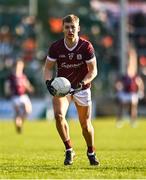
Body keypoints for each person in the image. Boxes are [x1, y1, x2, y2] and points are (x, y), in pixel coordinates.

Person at [44, 14, 99, 166]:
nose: (70, 30)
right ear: (63, 28)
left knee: (85, 124)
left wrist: (82, 83)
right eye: (67, 27)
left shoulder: (86, 46)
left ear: (78, 28)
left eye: (73, 27)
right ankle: (69, 150)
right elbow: (48, 68)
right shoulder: (56, 47)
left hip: (81, 88)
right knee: (58, 115)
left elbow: (93, 71)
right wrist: (48, 82)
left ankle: (91, 151)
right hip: (63, 88)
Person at [5, 58, 34, 133]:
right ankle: (18, 125)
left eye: (21, 65)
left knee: (28, 111)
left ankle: (20, 123)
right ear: (15, 66)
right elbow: (7, 85)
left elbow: (27, 84)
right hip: (15, 97)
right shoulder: (11, 77)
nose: (19, 67)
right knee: (18, 113)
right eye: (18, 65)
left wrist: (30, 88)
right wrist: (7, 92)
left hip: (23, 96)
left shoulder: (23, 76)